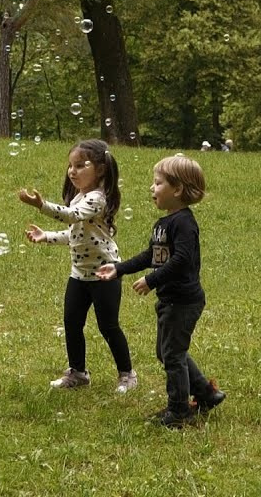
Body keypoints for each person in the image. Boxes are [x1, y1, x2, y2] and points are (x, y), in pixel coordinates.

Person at [96, 155, 224, 429]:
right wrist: (119, 269)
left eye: (157, 183)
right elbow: (150, 256)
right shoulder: (162, 224)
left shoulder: (185, 224)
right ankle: (206, 393)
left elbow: (181, 260)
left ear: (177, 189)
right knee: (167, 352)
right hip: (170, 301)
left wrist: (151, 280)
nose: (151, 188)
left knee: (173, 355)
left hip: (184, 301)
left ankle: (178, 411)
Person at [20, 139, 137, 393]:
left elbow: (71, 217)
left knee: (108, 326)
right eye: (70, 166)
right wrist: (47, 236)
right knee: (72, 323)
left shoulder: (97, 199)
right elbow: (75, 234)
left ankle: (127, 374)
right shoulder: (80, 197)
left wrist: (42, 206)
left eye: (80, 165)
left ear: (101, 169)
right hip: (79, 275)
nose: (72, 171)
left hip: (105, 273)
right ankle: (78, 372)